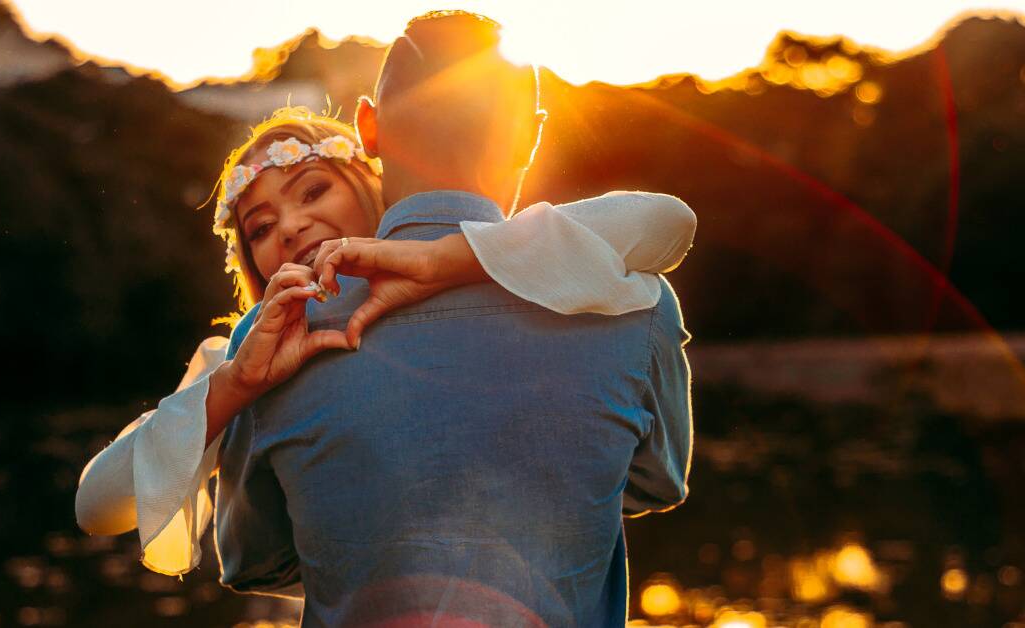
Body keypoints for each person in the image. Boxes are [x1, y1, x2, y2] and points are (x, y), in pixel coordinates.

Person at [198, 10, 694, 626]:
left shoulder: (273, 340)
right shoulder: (631, 298)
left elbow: (254, 560)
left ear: (368, 128)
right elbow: (657, 483)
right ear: (530, 136)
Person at [74, 100, 695, 575]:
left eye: (313, 191)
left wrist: (446, 261)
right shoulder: (241, 357)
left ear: (371, 186)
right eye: (260, 227)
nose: (290, 227)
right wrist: (237, 385)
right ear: (252, 261)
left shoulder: (509, 276)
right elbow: (97, 508)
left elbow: (665, 220)